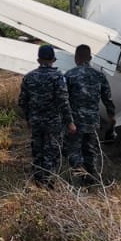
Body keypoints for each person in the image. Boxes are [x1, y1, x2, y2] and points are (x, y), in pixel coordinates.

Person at [18, 44, 75, 186]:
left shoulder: (29, 77)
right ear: (53, 60)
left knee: (38, 150)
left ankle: (38, 180)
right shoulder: (58, 77)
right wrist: (70, 122)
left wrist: (28, 117)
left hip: (36, 120)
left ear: (38, 60)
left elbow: (22, 101)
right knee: (52, 150)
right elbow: (63, 101)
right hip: (53, 122)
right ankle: (49, 182)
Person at [64, 44, 116, 181]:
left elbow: (63, 99)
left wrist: (65, 119)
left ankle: (79, 174)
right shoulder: (99, 76)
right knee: (90, 149)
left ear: (76, 58)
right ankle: (92, 175)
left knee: (74, 149)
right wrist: (112, 116)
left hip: (75, 120)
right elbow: (108, 99)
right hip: (93, 120)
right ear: (90, 58)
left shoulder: (69, 75)